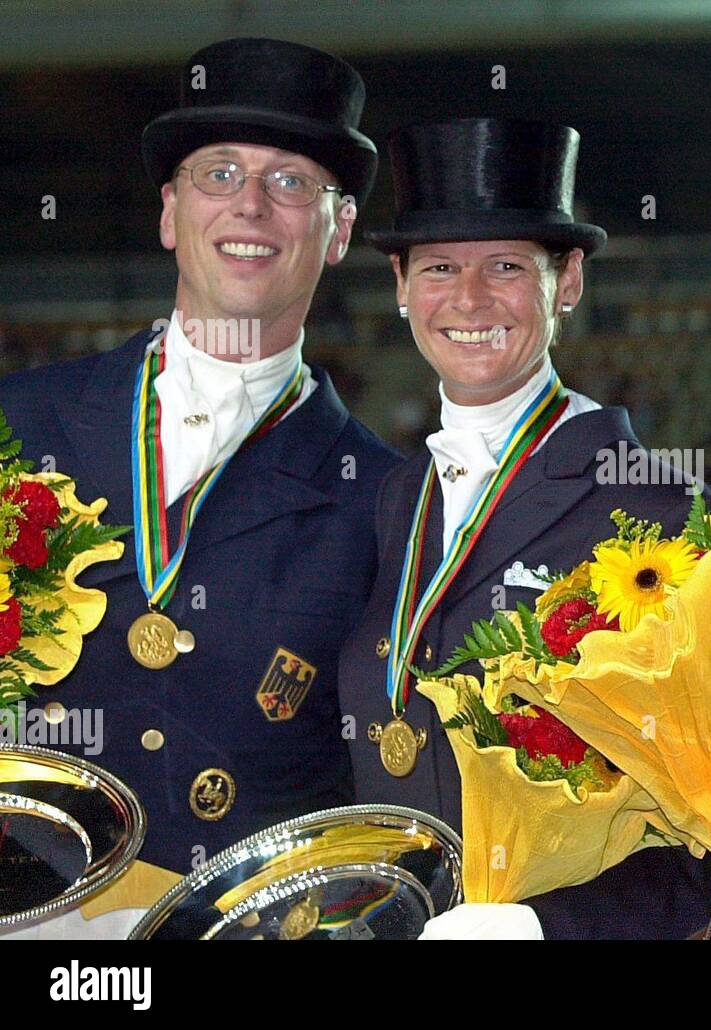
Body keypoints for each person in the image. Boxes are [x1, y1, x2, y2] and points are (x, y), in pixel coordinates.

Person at [0, 38, 400, 938]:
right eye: (218, 173)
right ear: (172, 213)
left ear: (337, 232)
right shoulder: (17, 423)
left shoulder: (388, 499)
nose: (250, 204)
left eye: (291, 180)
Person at [337, 117, 711, 939]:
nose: (469, 299)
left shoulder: (660, 515)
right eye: (440, 267)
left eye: (506, 267)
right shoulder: (394, 500)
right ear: (402, 284)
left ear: (569, 280)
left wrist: (546, 926)